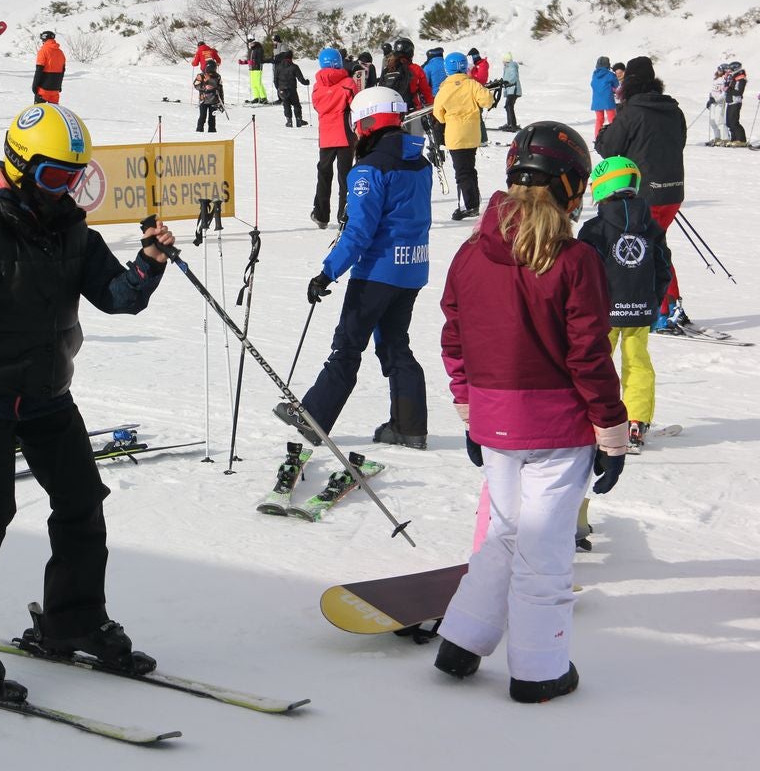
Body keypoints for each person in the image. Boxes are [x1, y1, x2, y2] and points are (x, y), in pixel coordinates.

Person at [0, 102, 175, 698]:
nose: (63, 190)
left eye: (73, 177)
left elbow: (118, 297)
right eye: (53, 176)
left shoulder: (73, 231)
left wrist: (149, 264)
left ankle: (70, 619)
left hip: (47, 391)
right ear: (22, 166)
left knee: (80, 499)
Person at [434, 121, 628, 704]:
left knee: (506, 531)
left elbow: (455, 337)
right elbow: (589, 356)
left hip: (496, 420)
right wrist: (612, 435)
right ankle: (541, 671)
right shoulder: (575, 261)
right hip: (555, 428)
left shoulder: (471, 255)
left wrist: (470, 409)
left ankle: (463, 640)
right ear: (570, 187)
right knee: (541, 545)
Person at [273, 86, 431, 451]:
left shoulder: (369, 170)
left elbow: (359, 232)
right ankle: (409, 427)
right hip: (412, 269)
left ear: (367, 123)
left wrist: (327, 272)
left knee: (348, 344)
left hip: (377, 272)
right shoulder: (419, 162)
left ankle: (313, 418)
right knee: (395, 346)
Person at [578, 156, 672, 453]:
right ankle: (636, 422)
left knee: (596, 364)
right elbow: (663, 268)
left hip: (602, 312)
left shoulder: (594, 229)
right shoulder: (651, 226)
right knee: (638, 364)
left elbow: (582, 272)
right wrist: (655, 301)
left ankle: (595, 419)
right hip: (641, 311)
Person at [595, 56, 688, 327]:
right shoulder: (673, 109)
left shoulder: (631, 111)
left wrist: (606, 131)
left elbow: (608, 148)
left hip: (646, 193)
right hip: (673, 191)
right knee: (655, 245)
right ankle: (668, 306)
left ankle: (662, 309)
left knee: (644, 249)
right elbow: (678, 143)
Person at [434, 52, 494, 220]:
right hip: (473, 134)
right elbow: (487, 101)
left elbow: (438, 114)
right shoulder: (472, 85)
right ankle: (474, 200)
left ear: (448, 69)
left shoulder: (445, 89)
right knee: (469, 168)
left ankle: (469, 206)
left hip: (455, 135)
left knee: (462, 172)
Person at [310, 46, 358, 228]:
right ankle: (344, 215)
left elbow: (316, 106)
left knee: (324, 173)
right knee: (345, 175)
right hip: (345, 134)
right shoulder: (348, 82)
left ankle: (321, 215)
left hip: (326, 135)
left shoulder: (317, 85)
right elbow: (357, 105)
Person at [377, 37, 432, 114]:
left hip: (389, 111)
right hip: (410, 110)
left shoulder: (388, 69)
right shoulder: (416, 69)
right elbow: (426, 91)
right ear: (411, 53)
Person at [274, 50, 309, 128]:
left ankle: (289, 121)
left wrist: (278, 89)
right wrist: (306, 82)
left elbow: (275, 80)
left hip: (282, 89)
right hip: (292, 89)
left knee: (286, 105)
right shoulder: (294, 67)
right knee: (296, 105)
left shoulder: (278, 67)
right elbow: (301, 79)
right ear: (291, 57)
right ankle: (299, 120)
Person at [33, 30, 65, 104]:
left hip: (43, 89)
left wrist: (34, 85)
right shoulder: (61, 53)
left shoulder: (43, 51)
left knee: (39, 113)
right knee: (53, 113)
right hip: (55, 89)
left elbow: (39, 70)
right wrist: (59, 85)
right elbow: (62, 71)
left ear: (44, 39)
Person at [193, 58, 223, 133]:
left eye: (212, 73)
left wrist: (222, 103)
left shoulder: (217, 76)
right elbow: (196, 85)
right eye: (209, 72)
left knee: (212, 118)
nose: (210, 74)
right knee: (202, 117)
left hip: (214, 100)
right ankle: (199, 131)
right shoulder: (200, 75)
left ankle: (212, 132)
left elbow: (220, 89)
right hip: (203, 100)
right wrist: (204, 87)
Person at [589, 56, 617, 136]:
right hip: (608, 100)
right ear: (608, 65)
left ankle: (597, 137)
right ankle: (614, 135)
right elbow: (616, 85)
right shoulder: (610, 75)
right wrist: (612, 89)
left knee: (599, 119)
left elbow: (593, 84)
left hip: (597, 100)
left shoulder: (594, 75)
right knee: (612, 119)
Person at [722, 60, 747, 146]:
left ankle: (741, 140)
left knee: (734, 122)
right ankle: (734, 139)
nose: (729, 71)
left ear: (735, 69)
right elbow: (728, 86)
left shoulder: (741, 78)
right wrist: (726, 82)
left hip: (736, 102)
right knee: (728, 122)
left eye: (730, 69)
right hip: (730, 101)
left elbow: (739, 92)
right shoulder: (733, 77)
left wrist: (728, 89)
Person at [240, 35, 268, 104]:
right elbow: (249, 60)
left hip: (258, 68)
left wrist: (253, 62)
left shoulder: (259, 49)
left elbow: (261, 60)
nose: (250, 44)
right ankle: (256, 97)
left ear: (254, 42)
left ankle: (264, 98)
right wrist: (244, 62)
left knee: (258, 83)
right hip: (251, 69)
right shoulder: (250, 50)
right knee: (253, 83)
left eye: (251, 43)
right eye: (249, 43)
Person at [706, 63, 729, 146]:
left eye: (720, 70)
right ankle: (717, 137)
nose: (718, 71)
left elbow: (724, 93)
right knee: (712, 120)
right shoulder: (716, 78)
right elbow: (713, 90)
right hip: (713, 101)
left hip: (719, 102)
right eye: (718, 69)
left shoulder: (725, 79)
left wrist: (716, 99)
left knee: (720, 120)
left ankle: (726, 138)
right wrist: (710, 99)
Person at [499, 52, 521, 131]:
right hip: (510, 90)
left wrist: (508, 82)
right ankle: (510, 124)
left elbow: (514, 77)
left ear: (506, 60)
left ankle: (512, 125)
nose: (502, 62)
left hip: (513, 90)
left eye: (503, 60)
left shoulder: (511, 66)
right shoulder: (507, 67)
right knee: (508, 106)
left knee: (509, 106)